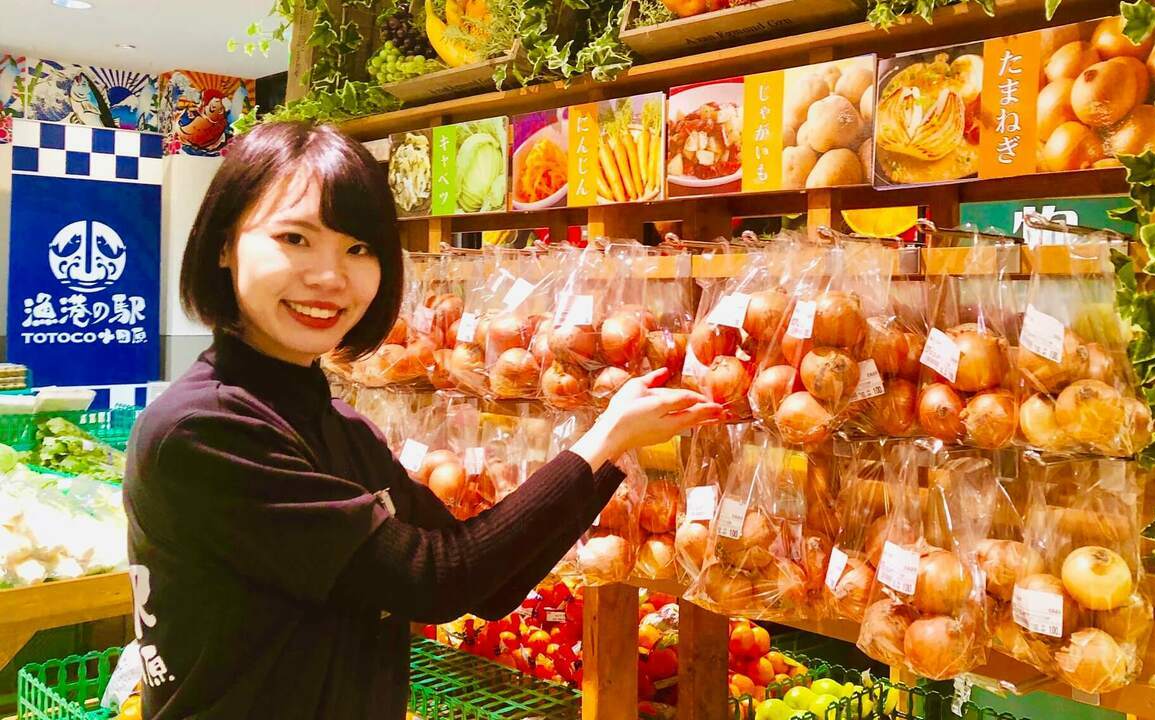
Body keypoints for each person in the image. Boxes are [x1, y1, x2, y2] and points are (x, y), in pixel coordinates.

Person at [123, 122, 722, 719]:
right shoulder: (205, 431)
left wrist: (614, 450)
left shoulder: (340, 427)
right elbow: (433, 580)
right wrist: (603, 439)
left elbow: (487, 584)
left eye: (358, 249)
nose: (330, 277)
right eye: (295, 239)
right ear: (225, 244)